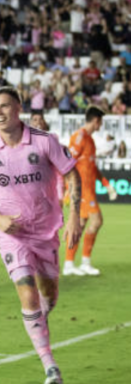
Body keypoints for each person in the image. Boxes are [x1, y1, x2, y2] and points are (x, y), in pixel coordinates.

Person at [0, 87, 82, 384]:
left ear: (19, 108)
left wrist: (74, 215)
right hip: (12, 235)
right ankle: (49, 365)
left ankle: (37, 323)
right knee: (28, 296)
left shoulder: (46, 141)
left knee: (49, 296)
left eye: (5, 106)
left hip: (46, 231)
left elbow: (72, 174)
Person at [63, 106, 118, 276]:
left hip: (88, 190)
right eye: (100, 122)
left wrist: (107, 185)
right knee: (97, 221)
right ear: (96, 120)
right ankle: (83, 262)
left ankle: (70, 264)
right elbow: (66, 164)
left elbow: (92, 168)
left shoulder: (90, 141)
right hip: (81, 191)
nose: (101, 125)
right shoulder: (79, 137)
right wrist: (68, 188)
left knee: (79, 226)